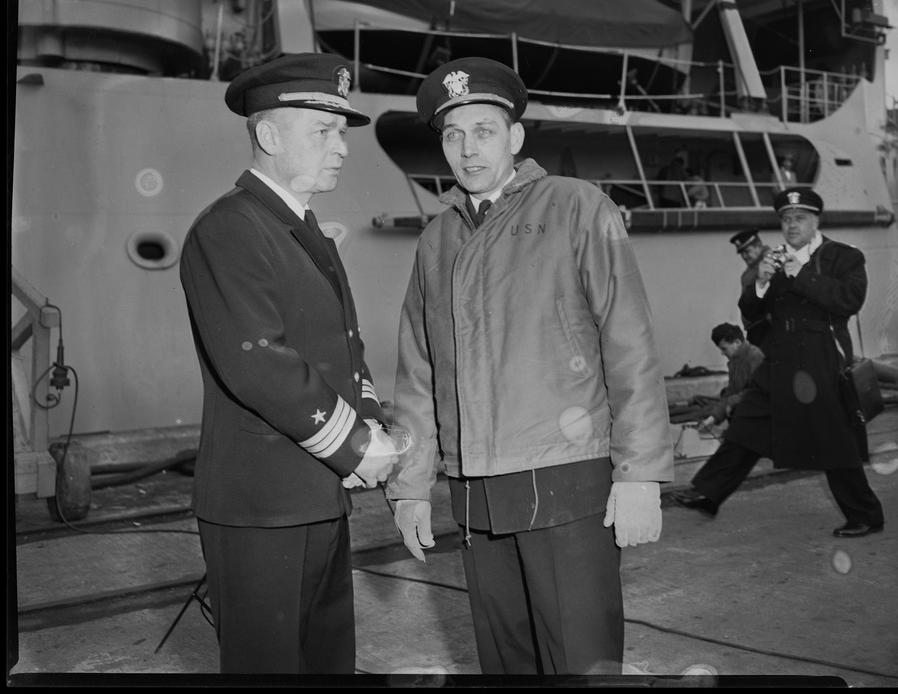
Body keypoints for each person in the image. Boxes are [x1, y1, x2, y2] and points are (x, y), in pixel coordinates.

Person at [385, 57, 676, 675]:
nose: (467, 149)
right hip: (476, 495)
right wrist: (410, 485)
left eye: (484, 131)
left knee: (582, 663)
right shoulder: (436, 240)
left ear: (515, 137)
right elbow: (418, 372)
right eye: (452, 134)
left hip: (566, 480)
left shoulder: (576, 205)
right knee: (505, 662)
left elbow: (630, 345)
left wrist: (641, 473)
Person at [179, 53, 399, 674]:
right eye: (323, 132)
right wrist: (355, 446)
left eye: (341, 132)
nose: (342, 148)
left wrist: (372, 423)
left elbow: (343, 346)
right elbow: (259, 364)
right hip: (261, 507)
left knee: (327, 662)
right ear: (270, 136)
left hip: (318, 495)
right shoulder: (229, 228)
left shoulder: (302, 229)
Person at [672, 188, 884, 539]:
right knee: (747, 423)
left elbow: (848, 300)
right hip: (781, 358)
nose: (791, 225)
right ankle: (709, 491)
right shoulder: (773, 260)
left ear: (816, 220)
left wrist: (799, 273)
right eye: (786, 219)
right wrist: (760, 282)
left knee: (833, 439)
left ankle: (865, 514)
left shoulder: (844, 256)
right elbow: (752, 313)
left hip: (821, 357)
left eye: (799, 218)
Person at [696, 323, 765, 439]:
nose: (722, 353)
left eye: (724, 349)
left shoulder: (755, 356)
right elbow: (730, 392)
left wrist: (732, 403)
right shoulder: (735, 361)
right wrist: (713, 418)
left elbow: (757, 391)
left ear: (737, 343)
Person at [729, 229, 771, 347]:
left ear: (758, 246)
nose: (744, 256)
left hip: (765, 327)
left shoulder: (767, 261)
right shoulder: (751, 269)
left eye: (747, 251)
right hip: (755, 329)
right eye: (742, 253)